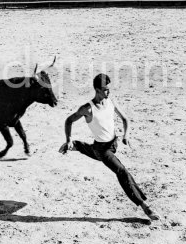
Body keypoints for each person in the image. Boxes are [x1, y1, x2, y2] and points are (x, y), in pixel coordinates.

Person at [60, 74, 160, 221]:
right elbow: (69, 120)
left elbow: (125, 119)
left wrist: (126, 135)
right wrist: (67, 138)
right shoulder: (87, 109)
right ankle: (144, 206)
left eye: (109, 89)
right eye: (105, 90)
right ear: (97, 90)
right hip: (102, 149)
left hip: (113, 144)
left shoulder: (111, 102)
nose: (108, 92)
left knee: (96, 152)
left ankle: (76, 145)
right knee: (121, 171)